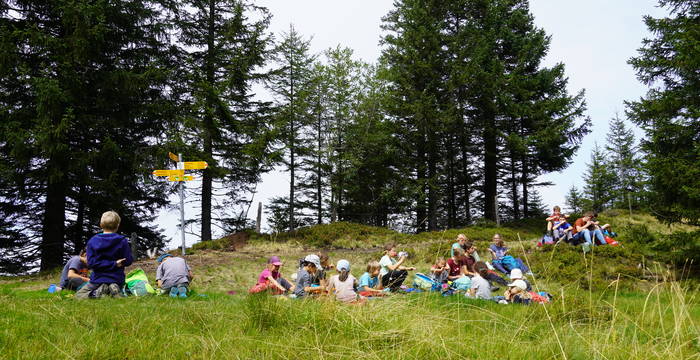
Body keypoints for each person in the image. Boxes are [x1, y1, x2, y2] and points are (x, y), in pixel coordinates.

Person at [76, 211, 133, 299]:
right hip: (117, 279)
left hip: (97, 280)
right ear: (117, 225)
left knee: (79, 295)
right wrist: (115, 264)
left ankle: (96, 293)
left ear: (101, 224)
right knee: (119, 289)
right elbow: (128, 261)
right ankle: (114, 289)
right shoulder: (122, 241)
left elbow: (91, 263)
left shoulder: (93, 241)